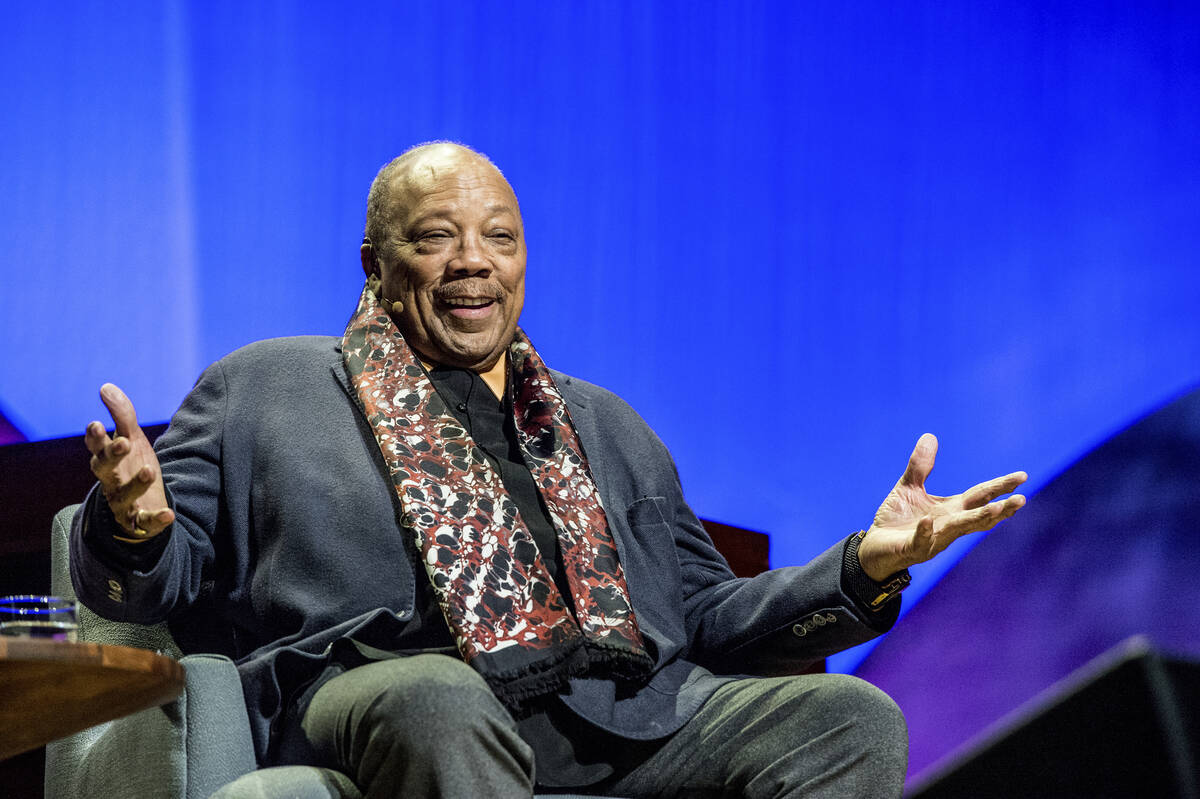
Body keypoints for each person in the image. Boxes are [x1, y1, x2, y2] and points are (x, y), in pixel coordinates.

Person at [73, 142, 1027, 799]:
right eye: (435, 236)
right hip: (388, 693)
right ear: (374, 262)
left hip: (623, 713)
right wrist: (136, 524)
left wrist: (866, 563)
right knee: (443, 697)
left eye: (499, 237)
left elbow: (704, 615)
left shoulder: (600, 423)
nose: (472, 264)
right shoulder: (265, 388)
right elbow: (157, 572)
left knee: (847, 716)